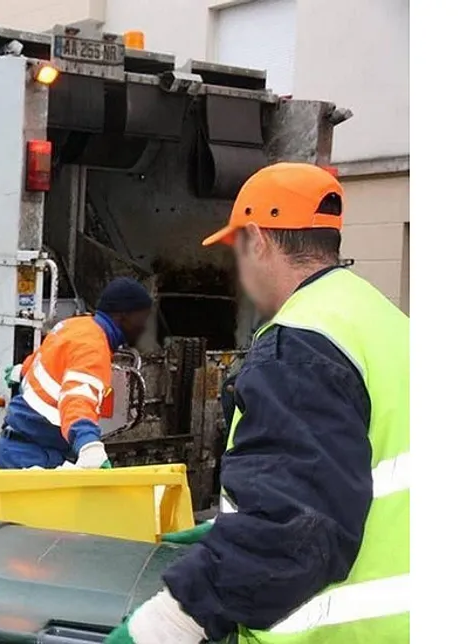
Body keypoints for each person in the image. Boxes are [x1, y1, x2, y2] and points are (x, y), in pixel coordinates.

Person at [106, 163, 409, 643]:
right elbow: (348, 480)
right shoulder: (385, 323)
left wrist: (166, 624)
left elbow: (295, 532)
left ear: (258, 241)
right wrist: (240, 523)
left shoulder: (301, 344)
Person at [0, 277, 153, 470]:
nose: (144, 327)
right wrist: (89, 446)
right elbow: (78, 398)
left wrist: (21, 371)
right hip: (33, 455)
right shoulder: (93, 347)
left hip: (19, 447)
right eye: (142, 319)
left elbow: (46, 358)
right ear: (123, 316)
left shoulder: (75, 326)